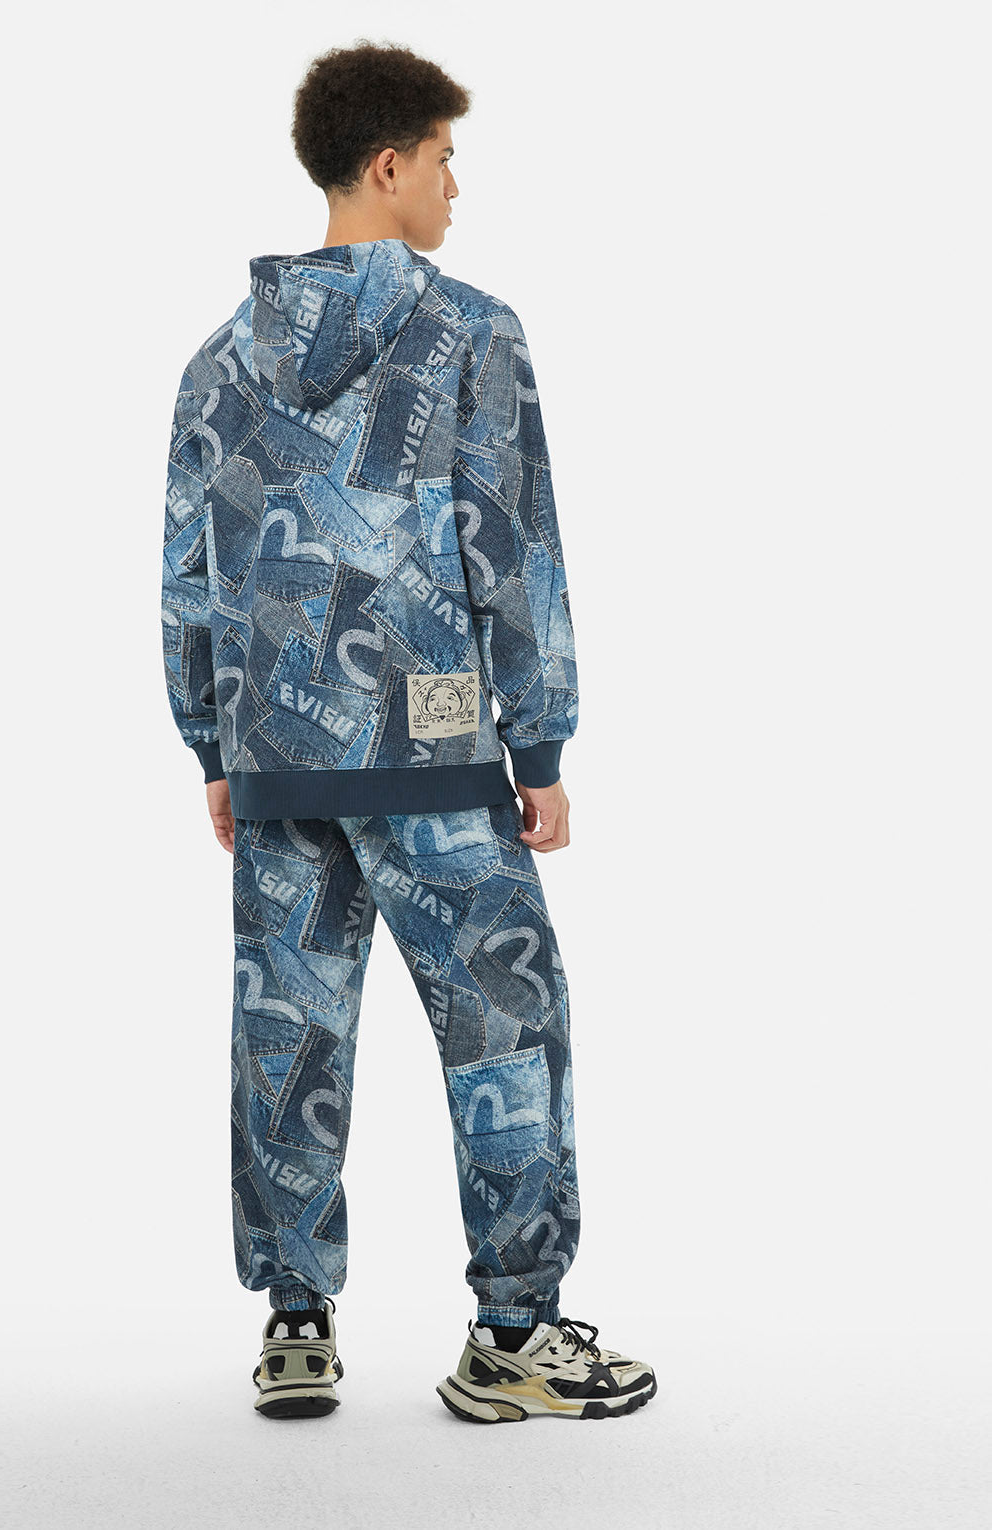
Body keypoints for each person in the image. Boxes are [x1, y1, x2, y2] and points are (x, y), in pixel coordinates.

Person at [161, 41, 657, 1423]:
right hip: (435, 755)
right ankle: (516, 1334)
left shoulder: (218, 364)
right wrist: (538, 744)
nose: (455, 186)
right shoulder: (472, 335)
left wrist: (215, 746)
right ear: (387, 165)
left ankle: (295, 1322)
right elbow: (514, 545)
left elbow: (187, 573)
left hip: (276, 760)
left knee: (290, 1038)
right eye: (443, 159)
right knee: (507, 1024)